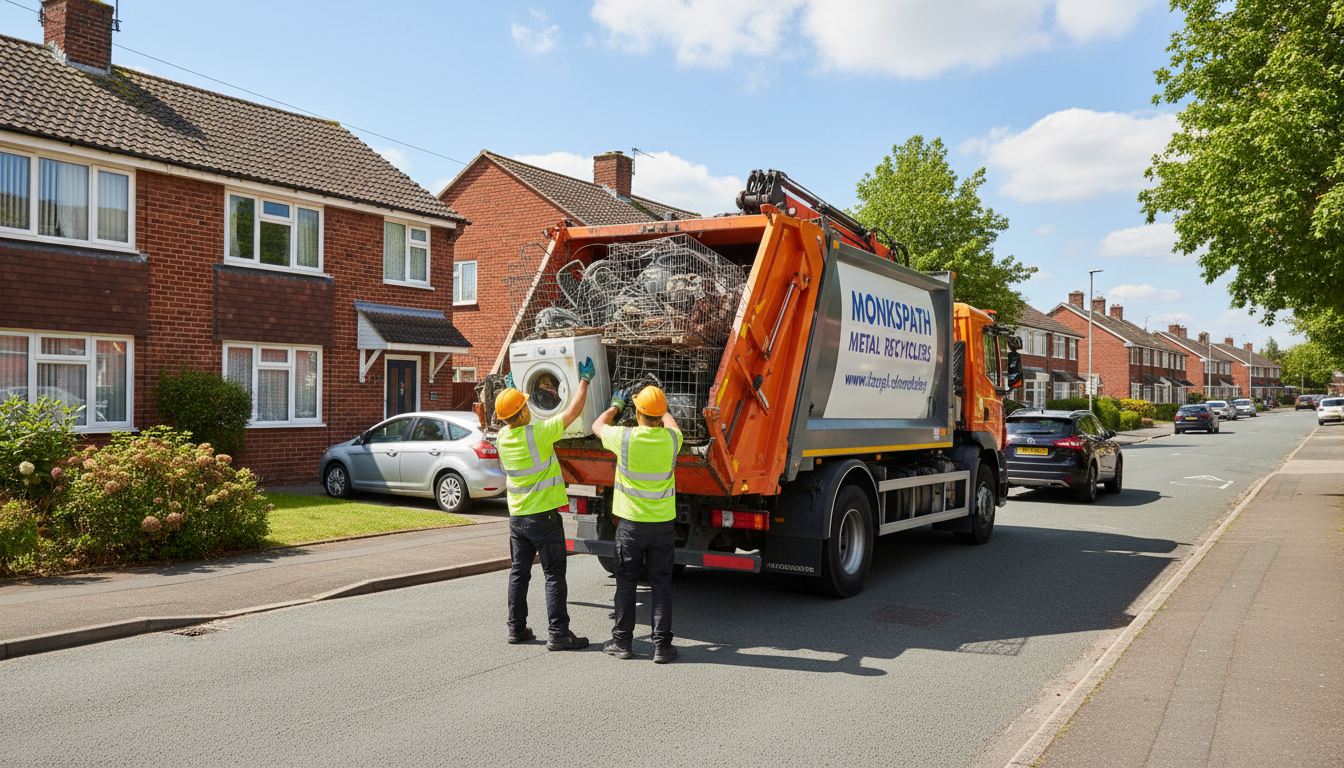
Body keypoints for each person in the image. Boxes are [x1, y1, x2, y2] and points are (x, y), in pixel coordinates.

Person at [494, 356, 597, 651]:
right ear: (522, 412)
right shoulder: (538, 435)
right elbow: (573, 411)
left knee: (519, 573)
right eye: (526, 405)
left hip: (518, 519)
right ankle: (559, 634)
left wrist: (513, 392)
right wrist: (585, 380)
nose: (530, 408)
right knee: (553, 574)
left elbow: (519, 421)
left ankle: (516, 628)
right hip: (543, 519)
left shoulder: (502, 437)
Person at [591, 385, 682, 663]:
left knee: (626, 584)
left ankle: (622, 643)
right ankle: (662, 647)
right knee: (661, 586)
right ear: (660, 415)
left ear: (638, 413)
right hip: (662, 526)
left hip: (631, 526)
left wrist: (616, 406)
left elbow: (597, 426)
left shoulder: (624, 437)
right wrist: (663, 410)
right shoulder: (672, 440)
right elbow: (672, 425)